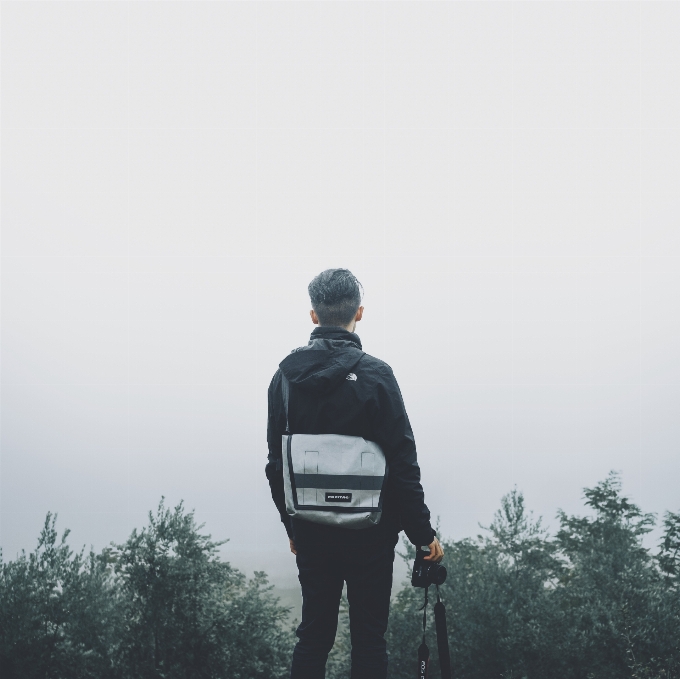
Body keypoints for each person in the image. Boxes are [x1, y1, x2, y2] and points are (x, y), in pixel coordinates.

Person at [266, 268, 443, 679]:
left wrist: (291, 526)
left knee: (313, 637)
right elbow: (402, 461)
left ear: (313, 316)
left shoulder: (285, 380)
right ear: (358, 313)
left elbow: (276, 464)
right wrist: (423, 534)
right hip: (372, 533)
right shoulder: (377, 376)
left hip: (311, 529)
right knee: (369, 639)